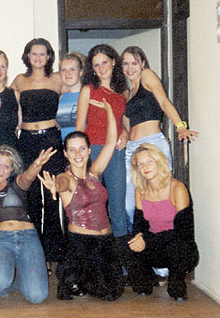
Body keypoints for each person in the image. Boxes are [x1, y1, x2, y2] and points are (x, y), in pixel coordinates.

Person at [39, 98, 124, 301]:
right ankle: (73, 276)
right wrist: (55, 186)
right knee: (98, 291)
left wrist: (110, 111)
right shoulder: (66, 178)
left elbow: (111, 142)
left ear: (89, 150)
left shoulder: (95, 172)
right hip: (81, 246)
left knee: (113, 292)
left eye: (82, 148)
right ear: (66, 154)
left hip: (106, 243)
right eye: (72, 149)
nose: (78, 154)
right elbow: (61, 184)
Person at [121, 46, 199, 231]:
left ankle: (167, 239)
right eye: (125, 64)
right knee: (130, 205)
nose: (130, 68)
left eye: (134, 63)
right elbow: (127, 124)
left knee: (163, 198)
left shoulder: (147, 76)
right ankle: (144, 239)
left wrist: (180, 126)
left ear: (143, 64)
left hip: (153, 144)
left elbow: (164, 102)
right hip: (132, 149)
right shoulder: (128, 93)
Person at [11, 38, 67, 270]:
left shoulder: (57, 79)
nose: (38, 58)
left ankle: (53, 255)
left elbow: (77, 95)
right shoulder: (19, 80)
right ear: (27, 56)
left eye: (42, 54)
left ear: (49, 56)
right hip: (26, 141)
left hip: (50, 139)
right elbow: (2, 97)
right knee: (32, 197)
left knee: (51, 196)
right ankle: (34, 255)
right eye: (33, 54)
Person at [117, 144, 199, 300]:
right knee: (121, 244)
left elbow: (183, 232)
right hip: (154, 246)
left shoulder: (177, 188)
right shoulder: (140, 190)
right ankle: (145, 282)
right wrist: (139, 238)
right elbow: (139, 226)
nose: (145, 167)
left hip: (179, 248)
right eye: (140, 164)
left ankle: (177, 285)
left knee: (178, 246)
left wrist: (146, 240)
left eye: (150, 161)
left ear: (159, 162)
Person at [0, 145, 56, 304]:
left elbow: (28, 176)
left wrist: (37, 165)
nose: (1, 170)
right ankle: (10, 278)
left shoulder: (16, 184)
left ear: (12, 169)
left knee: (37, 296)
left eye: (7, 167)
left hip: (27, 237)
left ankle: (22, 279)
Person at [75, 44, 129, 238]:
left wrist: (126, 134)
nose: (101, 68)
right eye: (96, 65)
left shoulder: (123, 92)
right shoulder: (88, 90)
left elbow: (125, 123)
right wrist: (79, 158)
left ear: (113, 62)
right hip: (94, 151)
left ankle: (122, 255)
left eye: (104, 62)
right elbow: (79, 128)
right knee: (92, 205)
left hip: (116, 152)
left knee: (117, 207)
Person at [57, 52, 85, 141]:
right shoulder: (61, 98)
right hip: (64, 147)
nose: (67, 73)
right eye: (63, 70)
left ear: (80, 72)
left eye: (72, 69)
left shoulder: (89, 95)